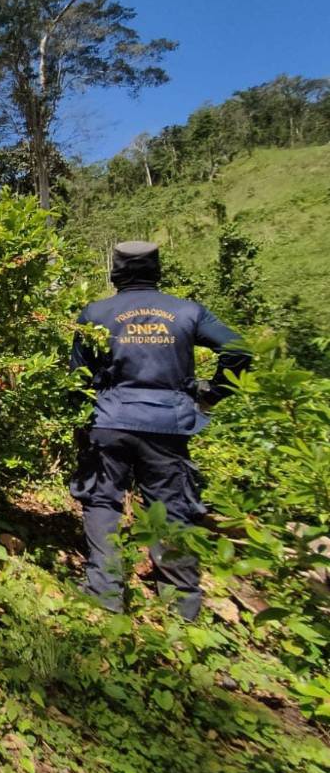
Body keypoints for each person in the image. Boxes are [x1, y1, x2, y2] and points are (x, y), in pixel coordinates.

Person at [70, 241, 251, 620]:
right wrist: (213, 394)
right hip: (169, 424)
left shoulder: (96, 313)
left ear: (116, 272)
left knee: (102, 500)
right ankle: (181, 603)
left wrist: (81, 420)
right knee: (171, 505)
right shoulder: (186, 311)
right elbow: (239, 350)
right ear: (156, 270)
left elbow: (78, 378)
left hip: (109, 419)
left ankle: (104, 592)